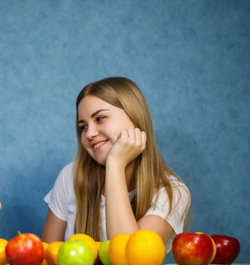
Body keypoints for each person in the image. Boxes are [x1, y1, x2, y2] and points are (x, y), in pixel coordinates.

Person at [41, 77, 191, 251]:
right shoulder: (71, 176)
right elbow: (48, 256)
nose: (89, 133)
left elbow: (130, 253)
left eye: (100, 118)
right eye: (83, 126)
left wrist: (115, 164)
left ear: (134, 117)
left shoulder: (173, 193)